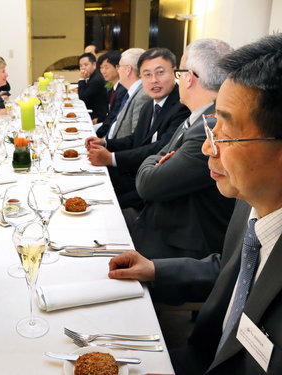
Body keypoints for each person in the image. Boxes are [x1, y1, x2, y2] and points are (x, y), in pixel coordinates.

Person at [109, 33, 282, 375]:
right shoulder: (250, 204)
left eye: (227, 135)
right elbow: (234, 269)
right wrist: (157, 269)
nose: (208, 148)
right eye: (211, 130)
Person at [127, 39, 235, 260]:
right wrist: (156, 160)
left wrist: (154, 161)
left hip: (181, 247)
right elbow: (156, 157)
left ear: (190, 77)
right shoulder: (196, 117)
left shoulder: (210, 126)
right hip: (164, 226)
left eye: (179, 73)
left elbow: (148, 184)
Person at [86, 48, 190, 209]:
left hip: (152, 187)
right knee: (88, 184)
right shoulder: (150, 105)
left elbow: (161, 147)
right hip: (134, 173)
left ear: (175, 72)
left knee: (99, 206)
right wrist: (106, 144)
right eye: (147, 74)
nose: (154, 80)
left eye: (160, 72)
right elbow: (136, 138)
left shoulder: (181, 106)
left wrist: (112, 158)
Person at [103, 48, 151, 140]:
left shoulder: (142, 96)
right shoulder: (131, 91)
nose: (118, 70)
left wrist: (108, 149)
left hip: (118, 150)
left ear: (128, 70)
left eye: (119, 66)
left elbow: (135, 138)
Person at [96, 50, 128, 137]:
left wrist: (97, 135)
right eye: (101, 67)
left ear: (118, 67)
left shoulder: (123, 90)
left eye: (106, 67)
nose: (103, 71)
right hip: (107, 126)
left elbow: (113, 117)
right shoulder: (112, 86)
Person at [77, 52, 108, 124]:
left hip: (96, 117)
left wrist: (81, 79)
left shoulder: (96, 79)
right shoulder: (94, 75)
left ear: (94, 65)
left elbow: (82, 97)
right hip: (92, 111)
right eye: (81, 66)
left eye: (86, 65)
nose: (83, 68)